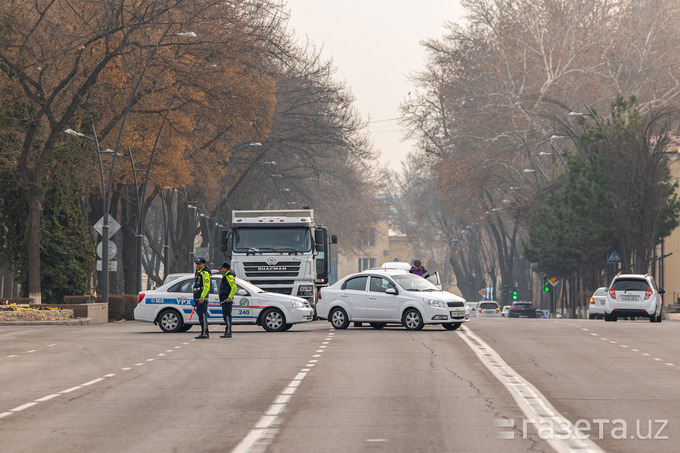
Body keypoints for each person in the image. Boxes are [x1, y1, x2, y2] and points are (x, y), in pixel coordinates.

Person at [193, 257, 211, 339]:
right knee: (200, 315)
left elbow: (206, 287)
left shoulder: (205, 273)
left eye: (199, 264)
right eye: (197, 264)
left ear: (203, 264)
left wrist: (202, 297)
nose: (197, 265)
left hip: (202, 296)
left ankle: (204, 333)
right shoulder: (198, 272)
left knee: (203, 315)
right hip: (197, 295)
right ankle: (204, 332)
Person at [219, 261, 238, 338]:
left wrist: (229, 298)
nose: (221, 270)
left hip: (227, 300)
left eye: (222, 268)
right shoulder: (226, 276)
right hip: (224, 299)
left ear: (225, 268)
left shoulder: (229, 276)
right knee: (225, 316)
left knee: (227, 316)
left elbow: (234, 288)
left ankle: (228, 332)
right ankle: (227, 331)